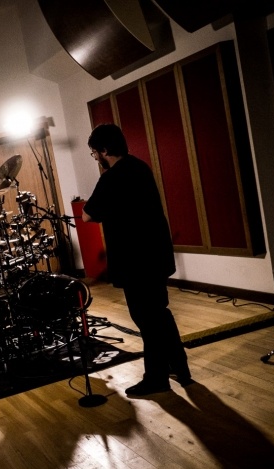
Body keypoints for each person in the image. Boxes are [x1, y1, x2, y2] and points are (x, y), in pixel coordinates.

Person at [81, 123, 192, 395]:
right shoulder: (141, 168)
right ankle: (179, 367)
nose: (95, 158)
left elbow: (87, 214)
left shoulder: (111, 178)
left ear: (104, 150)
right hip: (156, 255)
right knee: (159, 313)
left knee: (146, 318)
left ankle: (156, 378)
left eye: (94, 153)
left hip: (135, 260)